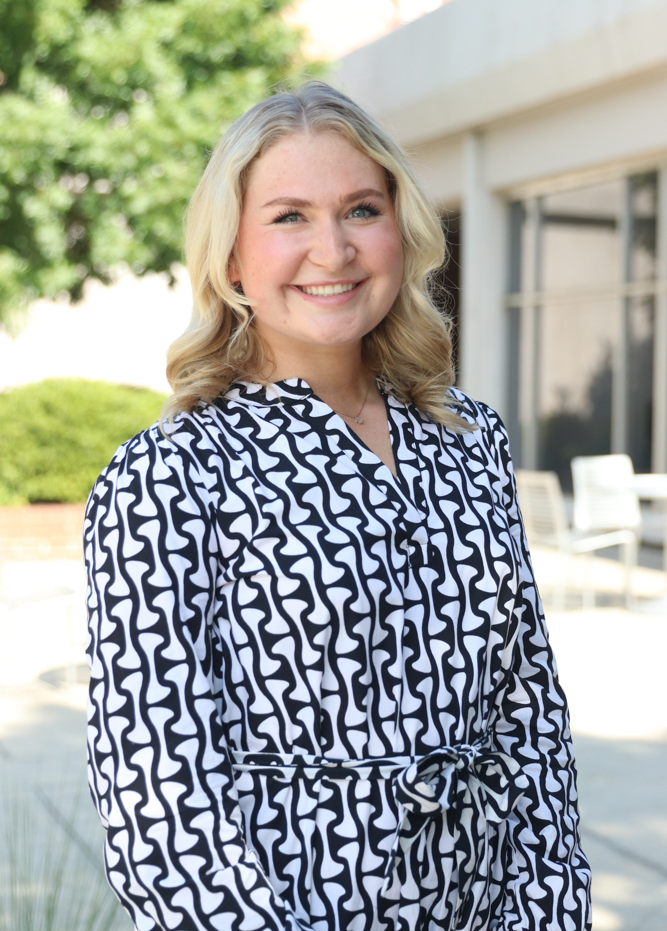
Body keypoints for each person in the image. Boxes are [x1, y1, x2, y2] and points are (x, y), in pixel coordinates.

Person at [84, 81, 592, 931]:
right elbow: (156, 794)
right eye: (288, 217)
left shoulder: (469, 441)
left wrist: (550, 910)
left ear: (401, 229)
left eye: (360, 209)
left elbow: (526, 715)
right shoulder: (167, 477)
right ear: (233, 256)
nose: (333, 249)